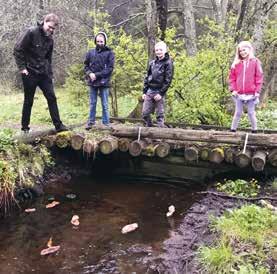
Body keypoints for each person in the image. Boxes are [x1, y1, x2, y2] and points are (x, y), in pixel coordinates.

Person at [13, 13, 68, 133]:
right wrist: (22, 68)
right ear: (44, 22)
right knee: (29, 101)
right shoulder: (31, 32)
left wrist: (50, 74)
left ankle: (58, 126)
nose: (51, 30)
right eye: (50, 27)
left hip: (44, 74)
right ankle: (25, 128)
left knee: (52, 97)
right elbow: (17, 49)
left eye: (54, 28)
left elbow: (49, 58)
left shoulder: (50, 39)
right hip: (29, 73)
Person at [229, 41, 263, 133]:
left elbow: (259, 77)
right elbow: (232, 78)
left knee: (251, 113)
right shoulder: (236, 63)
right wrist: (233, 89)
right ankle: (232, 130)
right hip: (239, 94)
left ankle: (255, 130)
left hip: (251, 94)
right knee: (238, 112)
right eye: (240, 51)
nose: (242, 52)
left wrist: (257, 91)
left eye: (244, 50)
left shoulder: (255, 62)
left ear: (249, 49)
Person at [84, 31, 115, 130]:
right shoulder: (90, 52)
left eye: (101, 41)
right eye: (98, 41)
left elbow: (109, 69)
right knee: (92, 103)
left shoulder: (110, 53)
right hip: (92, 82)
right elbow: (85, 66)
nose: (100, 43)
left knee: (105, 104)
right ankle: (91, 122)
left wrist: (96, 75)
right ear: (95, 41)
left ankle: (106, 123)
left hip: (104, 82)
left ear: (105, 41)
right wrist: (89, 73)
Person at [142, 41, 173, 127]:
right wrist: (144, 92)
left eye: (160, 50)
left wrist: (161, 93)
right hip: (150, 90)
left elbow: (168, 80)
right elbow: (147, 77)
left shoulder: (168, 63)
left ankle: (160, 135)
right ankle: (149, 129)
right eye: (157, 50)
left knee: (160, 115)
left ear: (165, 50)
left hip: (159, 91)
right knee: (145, 113)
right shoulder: (152, 63)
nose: (158, 52)